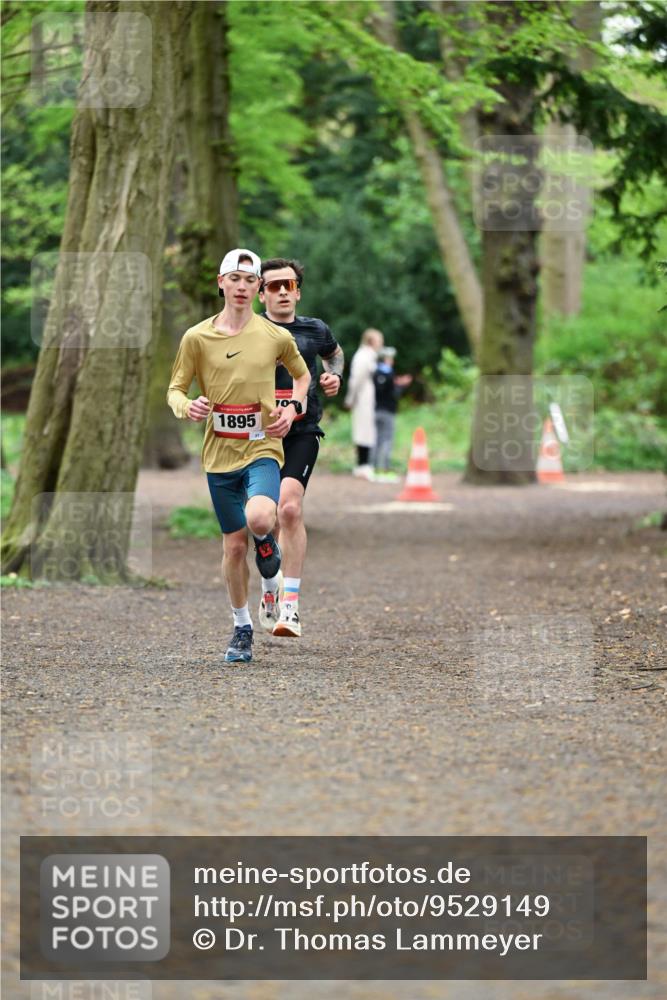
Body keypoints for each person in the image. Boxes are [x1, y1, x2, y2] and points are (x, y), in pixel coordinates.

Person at [167, 248, 310, 664]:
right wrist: (187, 406)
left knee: (262, 518)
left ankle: (265, 546)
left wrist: (291, 409)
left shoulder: (274, 336)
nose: (243, 287)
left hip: (262, 446)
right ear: (221, 283)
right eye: (235, 279)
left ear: (257, 286)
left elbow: (302, 377)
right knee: (232, 548)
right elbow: (175, 389)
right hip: (218, 455)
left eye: (250, 281)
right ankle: (242, 627)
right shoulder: (196, 338)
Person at [257, 257, 344, 638]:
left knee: (289, 509)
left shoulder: (314, 329)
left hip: (302, 430)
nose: (282, 292)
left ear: (298, 292)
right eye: (273, 286)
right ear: (261, 294)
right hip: (258, 434)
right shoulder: (250, 331)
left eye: (288, 285)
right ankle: (269, 585)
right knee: (263, 518)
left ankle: (289, 607)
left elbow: (334, 354)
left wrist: (333, 375)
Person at [345, 328, 384, 480]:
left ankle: (365, 464)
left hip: (367, 397)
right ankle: (362, 465)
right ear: (371, 341)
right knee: (362, 431)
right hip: (362, 398)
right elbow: (356, 380)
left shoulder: (370, 356)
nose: (381, 344)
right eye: (379, 340)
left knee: (367, 431)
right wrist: (351, 399)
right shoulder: (363, 356)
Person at [372, 346, 413, 482]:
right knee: (386, 440)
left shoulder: (375, 372)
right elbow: (393, 393)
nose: (392, 361)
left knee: (376, 440)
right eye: (390, 359)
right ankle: (384, 469)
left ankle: (374, 468)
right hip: (388, 411)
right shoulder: (389, 373)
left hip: (375, 410)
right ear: (386, 359)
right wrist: (402, 385)